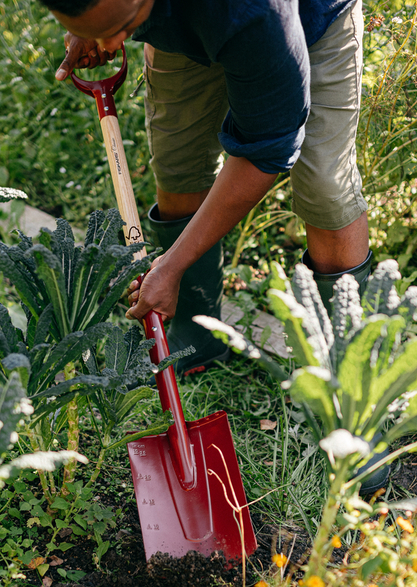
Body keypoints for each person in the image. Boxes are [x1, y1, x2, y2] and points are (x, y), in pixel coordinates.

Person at [44, 0, 372, 374]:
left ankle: (343, 375)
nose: (110, 42)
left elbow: (266, 151)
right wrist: (91, 26)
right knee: (179, 164)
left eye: (121, 26)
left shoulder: (257, 13)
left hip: (308, 21)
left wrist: (171, 266)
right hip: (182, 25)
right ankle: (197, 337)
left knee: (324, 189)